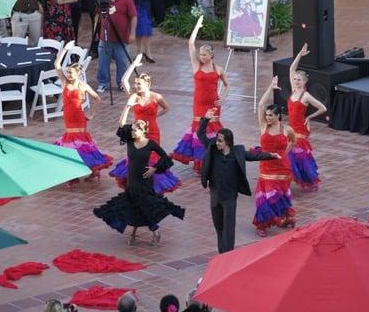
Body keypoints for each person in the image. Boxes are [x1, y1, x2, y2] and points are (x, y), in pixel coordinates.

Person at [93, 104, 185, 246]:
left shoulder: (151, 144)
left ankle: (153, 232)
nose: (133, 132)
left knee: (143, 205)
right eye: (133, 130)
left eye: (136, 130)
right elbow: (121, 125)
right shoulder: (130, 141)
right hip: (132, 180)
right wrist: (127, 108)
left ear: (143, 131)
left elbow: (166, 158)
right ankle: (137, 234)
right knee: (134, 206)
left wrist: (154, 169)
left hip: (144, 181)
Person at [198, 108, 280, 253]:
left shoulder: (238, 152)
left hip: (229, 197)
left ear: (228, 142)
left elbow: (254, 156)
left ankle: (227, 255)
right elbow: (200, 134)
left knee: (229, 227)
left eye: (220, 141)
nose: (217, 143)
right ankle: (222, 251)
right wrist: (205, 119)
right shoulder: (213, 150)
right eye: (217, 140)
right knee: (219, 226)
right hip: (215, 195)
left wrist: (270, 155)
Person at [109, 55, 181, 195]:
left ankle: (153, 187)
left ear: (148, 85)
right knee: (137, 158)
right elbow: (124, 80)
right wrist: (133, 65)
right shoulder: (134, 96)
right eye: (135, 84)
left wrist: (155, 116)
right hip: (137, 132)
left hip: (153, 132)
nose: (136, 86)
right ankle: (138, 185)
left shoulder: (156, 97)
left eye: (139, 84)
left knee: (151, 160)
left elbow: (166, 108)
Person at [171, 15, 230, 174]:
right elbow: (190, 43)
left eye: (204, 54)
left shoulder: (218, 69)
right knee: (199, 129)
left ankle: (214, 158)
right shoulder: (196, 65)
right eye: (201, 54)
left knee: (213, 129)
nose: (201, 57)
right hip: (199, 104)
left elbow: (227, 85)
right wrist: (198, 25)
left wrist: (222, 99)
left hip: (213, 104)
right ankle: (200, 162)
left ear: (211, 55)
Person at [53, 41, 113, 180]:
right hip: (68, 118)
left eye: (71, 72)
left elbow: (97, 98)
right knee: (70, 144)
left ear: (78, 73)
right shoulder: (65, 83)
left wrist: (92, 114)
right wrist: (65, 50)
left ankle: (90, 169)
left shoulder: (83, 86)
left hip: (80, 118)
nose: (68, 74)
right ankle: (74, 172)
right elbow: (57, 65)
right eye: (68, 72)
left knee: (80, 144)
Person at [253, 76, 296, 237]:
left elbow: (293, 140)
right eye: (267, 115)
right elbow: (260, 105)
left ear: (278, 116)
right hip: (266, 166)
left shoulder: (286, 129)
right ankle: (262, 224)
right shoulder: (263, 126)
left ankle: (286, 217)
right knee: (265, 196)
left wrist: (285, 152)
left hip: (282, 167)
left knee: (280, 195)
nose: (268, 117)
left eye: (271, 115)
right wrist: (270, 87)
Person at [286, 43, 327, 192]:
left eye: (299, 80)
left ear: (304, 82)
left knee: (300, 158)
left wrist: (309, 116)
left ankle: (303, 179)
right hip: (290, 129)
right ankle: (287, 181)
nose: (296, 81)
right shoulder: (293, 90)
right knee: (288, 156)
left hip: (299, 131)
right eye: (295, 79)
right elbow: (291, 69)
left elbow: (323, 108)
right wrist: (299, 55)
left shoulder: (306, 95)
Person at [96, 0, 137, 93]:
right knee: (103, 62)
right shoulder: (104, 0)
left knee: (122, 62)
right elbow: (97, 16)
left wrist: (132, 33)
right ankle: (103, 83)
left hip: (121, 37)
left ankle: (121, 83)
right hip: (105, 37)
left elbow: (133, 16)